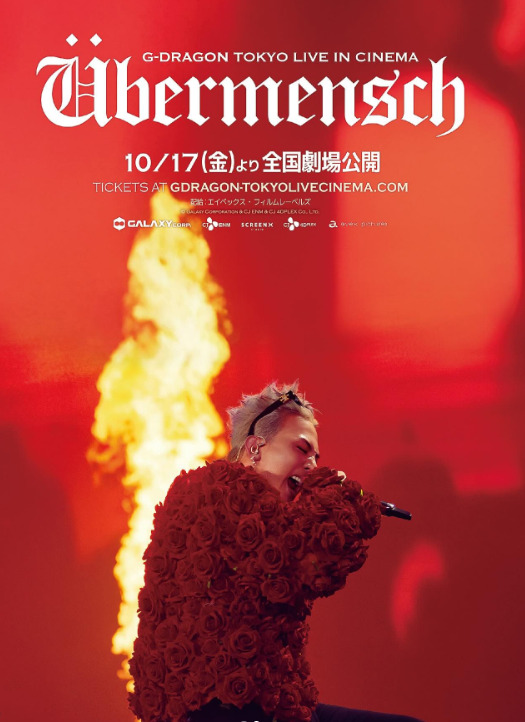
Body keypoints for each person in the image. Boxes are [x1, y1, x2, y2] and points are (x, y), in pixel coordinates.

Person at [128, 382, 423, 722]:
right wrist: (341, 504)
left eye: (316, 458)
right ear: (255, 447)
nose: (312, 466)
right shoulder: (210, 494)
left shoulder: (263, 512)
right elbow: (294, 567)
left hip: (270, 707)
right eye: (301, 449)